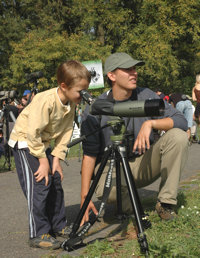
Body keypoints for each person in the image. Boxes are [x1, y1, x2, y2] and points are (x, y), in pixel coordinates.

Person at [80, 52, 188, 226]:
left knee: (179, 136)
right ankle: (131, 207)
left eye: (135, 69)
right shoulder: (96, 107)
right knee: (106, 190)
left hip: (144, 162)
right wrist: (84, 198)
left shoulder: (146, 95)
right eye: (128, 69)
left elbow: (182, 121)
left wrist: (151, 124)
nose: (134, 73)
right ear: (111, 75)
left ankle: (166, 203)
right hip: (113, 167)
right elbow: (89, 155)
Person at [8, 60, 91, 249]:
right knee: (40, 184)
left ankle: (59, 225)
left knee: (54, 181)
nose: (83, 95)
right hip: (25, 143)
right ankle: (38, 233)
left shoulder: (71, 103)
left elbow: (65, 133)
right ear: (64, 86)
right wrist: (43, 160)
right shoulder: (45, 100)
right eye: (80, 91)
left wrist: (57, 159)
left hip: (40, 144)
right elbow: (32, 132)